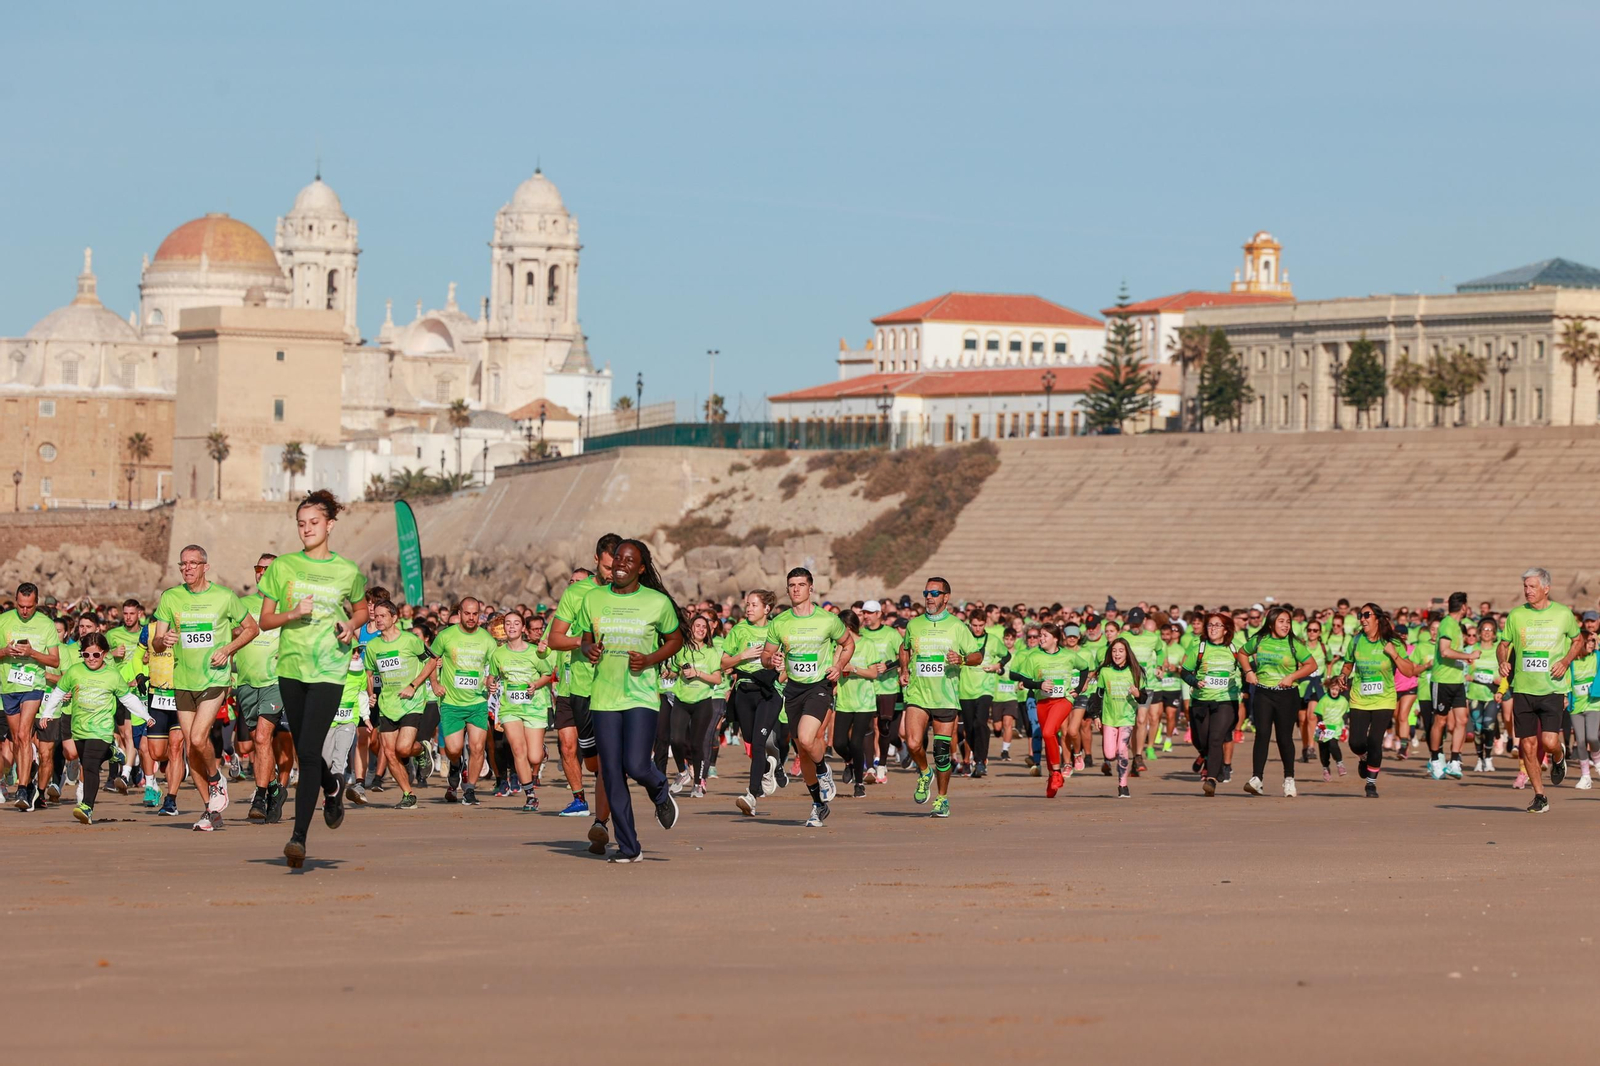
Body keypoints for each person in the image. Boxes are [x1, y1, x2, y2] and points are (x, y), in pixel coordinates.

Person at [256, 490, 369, 869]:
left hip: (329, 671)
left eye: (314, 523)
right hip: (290, 668)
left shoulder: (347, 570)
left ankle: (298, 837)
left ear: (330, 525)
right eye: (301, 524)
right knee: (305, 746)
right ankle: (333, 787)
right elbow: (264, 620)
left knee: (307, 751)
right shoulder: (283, 567)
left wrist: (351, 625)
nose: (307, 529)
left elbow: (362, 608)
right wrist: (292, 613)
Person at [574, 539, 683, 861]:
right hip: (604, 697)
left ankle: (659, 788)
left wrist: (650, 659)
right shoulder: (593, 599)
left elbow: (675, 639)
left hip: (641, 695)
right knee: (610, 771)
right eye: (618, 558)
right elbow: (585, 639)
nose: (621, 563)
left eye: (629, 560)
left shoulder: (657, 602)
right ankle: (629, 846)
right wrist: (588, 650)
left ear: (641, 568)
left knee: (635, 764)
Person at [151, 544, 258, 831]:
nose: (187, 568)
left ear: (205, 566)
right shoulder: (171, 597)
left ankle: (215, 779)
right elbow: (156, 642)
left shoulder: (224, 597)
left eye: (193, 563)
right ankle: (211, 811)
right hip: (183, 681)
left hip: (215, 677)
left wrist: (228, 649)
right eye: (183, 564)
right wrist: (165, 640)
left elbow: (252, 628)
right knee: (190, 751)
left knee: (198, 739)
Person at [545, 535, 621, 850]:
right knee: (593, 764)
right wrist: (582, 643)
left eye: (619, 566)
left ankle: (602, 824)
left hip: (617, 690)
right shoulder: (577, 593)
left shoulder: (632, 594)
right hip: (580, 688)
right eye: (607, 566)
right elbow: (554, 639)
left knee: (611, 762)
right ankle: (599, 813)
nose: (614, 573)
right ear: (597, 560)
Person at [764, 568, 853, 828]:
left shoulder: (828, 620)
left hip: (819, 686)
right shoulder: (779, 622)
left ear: (811, 588)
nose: (796, 589)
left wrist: (839, 665)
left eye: (801, 585)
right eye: (791, 585)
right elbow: (766, 657)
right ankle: (818, 805)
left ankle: (824, 770)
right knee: (802, 750)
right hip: (793, 688)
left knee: (806, 737)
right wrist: (773, 660)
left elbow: (848, 644)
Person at [37, 633, 150, 824]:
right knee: (83, 757)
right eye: (86, 655)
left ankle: (87, 806)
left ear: (104, 654)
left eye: (96, 655)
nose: (91, 659)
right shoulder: (74, 671)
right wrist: (47, 713)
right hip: (79, 728)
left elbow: (127, 698)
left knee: (89, 766)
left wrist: (146, 716)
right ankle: (111, 752)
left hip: (102, 729)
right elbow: (58, 692)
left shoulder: (112, 675)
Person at [1498, 567, 1582, 814]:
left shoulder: (1563, 614)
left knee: (1549, 740)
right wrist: (1502, 660)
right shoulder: (1516, 615)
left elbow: (1577, 641)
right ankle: (1539, 796)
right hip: (1523, 689)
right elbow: (1503, 645)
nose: (1527, 591)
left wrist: (1565, 662)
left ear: (1546, 588)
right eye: (1525, 586)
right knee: (1527, 745)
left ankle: (1558, 756)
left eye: (1532, 586)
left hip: (1552, 688)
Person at [897, 577, 982, 818]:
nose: (929, 596)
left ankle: (942, 798)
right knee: (913, 743)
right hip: (918, 693)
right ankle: (925, 772)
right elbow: (905, 648)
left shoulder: (957, 627)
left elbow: (977, 656)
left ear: (946, 597)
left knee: (942, 751)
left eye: (935, 592)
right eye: (926, 592)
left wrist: (962, 659)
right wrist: (904, 669)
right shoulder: (914, 624)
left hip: (945, 696)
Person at [1328, 603, 1420, 798]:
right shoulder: (1356, 640)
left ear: (1377, 618)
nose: (1362, 619)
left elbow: (1409, 671)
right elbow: (1348, 664)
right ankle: (1364, 758)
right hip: (1359, 698)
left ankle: (1371, 784)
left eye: (1367, 615)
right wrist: (1344, 676)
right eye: (1361, 615)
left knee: (1375, 740)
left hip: (1384, 699)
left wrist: (1394, 654)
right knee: (1356, 743)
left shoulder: (1392, 643)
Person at [237, 554, 294, 824]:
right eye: (259, 568)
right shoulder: (241, 604)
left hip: (275, 681)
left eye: (268, 569)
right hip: (246, 681)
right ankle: (274, 788)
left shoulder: (287, 607)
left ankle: (259, 796)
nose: (262, 573)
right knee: (255, 745)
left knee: (262, 738)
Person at [1239, 606, 1317, 798]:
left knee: (1284, 738)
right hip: (1263, 693)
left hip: (1287, 695)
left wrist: (1292, 676)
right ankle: (1257, 779)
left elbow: (1311, 665)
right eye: (1281, 621)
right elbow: (1241, 653)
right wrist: (1248, 672)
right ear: (1272, 622)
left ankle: (1289, 779)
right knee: (1262, 735)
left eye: (1288, 622)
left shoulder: (1293, 644)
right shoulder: (1259, 640)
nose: (1286, 625)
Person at [363, 599, 433, 809]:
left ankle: (421, 750)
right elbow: (369, 673)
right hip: (387, 704)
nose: (378, 619)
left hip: (411, 702)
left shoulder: (410, 640)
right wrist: (370, 695)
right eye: (376, 616)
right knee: (390, 751)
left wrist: (414, 684)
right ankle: (408, 794)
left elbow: (431, 661)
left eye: (383, 615)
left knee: (403, 749)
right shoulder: (373, 646)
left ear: (394, 618)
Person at [487, 609, 558, 811]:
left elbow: (547, 674)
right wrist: (491, 685)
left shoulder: (534, 652)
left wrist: (535, 684)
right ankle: (530, 795)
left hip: (534, 707)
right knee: (518, 749)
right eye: (508, 623)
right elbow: (492, 677)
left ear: (523, 628)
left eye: (516, 623)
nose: (511, 627)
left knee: (534, 757)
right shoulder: (498, 654)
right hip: (510, 708)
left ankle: (541, 751)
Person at [429, 597, 498, 806]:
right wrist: (434, 683)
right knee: (453, 749)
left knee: (478, 748)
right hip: (451, 702)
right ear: (459, 614)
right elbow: (431, 660)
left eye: (475, 614)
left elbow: (493, 669)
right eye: (467, 613)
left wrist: (490, 681)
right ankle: (456, 765)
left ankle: (470, 789)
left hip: (477, 702)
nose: (471, 617)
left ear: (479, 614)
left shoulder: (487, 640)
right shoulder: (446, 636)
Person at [3, 582, 63, 811]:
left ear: (36, 603)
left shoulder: (46, 625)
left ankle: (22, 787)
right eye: (20, 606)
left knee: (22, 733)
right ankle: (27, 783)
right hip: (8, 686)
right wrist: (6, 651)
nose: (24, 611)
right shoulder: (4, 620)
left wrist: (32, 653)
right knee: (18, 741)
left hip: (33, 686)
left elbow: (55, 661)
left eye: (29, 607)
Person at [725, 590, 782, 816]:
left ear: (766, 609)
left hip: (768, 692)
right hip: (744, 690)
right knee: (750, 740)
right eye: (747, 604)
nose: (749, 608)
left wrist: (780, 668)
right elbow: (723, 663)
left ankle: (752, 794)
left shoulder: (777, 629)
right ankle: (768, 766)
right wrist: (743, 656)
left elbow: (787, 660)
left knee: (758, 743)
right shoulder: (739, 630)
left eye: (754, 605)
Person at [1180, 612, 1243, 797]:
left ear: (1226, 630)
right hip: (1200, 700)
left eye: (1217, 625)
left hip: (1226, 700)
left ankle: (1212, 779)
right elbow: (1184, 672)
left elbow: (1248, 667)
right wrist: (1194, 681)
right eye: (1210, 625)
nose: (1213, 628)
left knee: (1216, 738)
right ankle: (1204, 755)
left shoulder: (1234, 648)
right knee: (1199, 739)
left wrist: (1249, 679)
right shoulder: (1199, 648)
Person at [832, 609, 887, 798]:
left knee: (856, 742)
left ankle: (858, 783)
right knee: (838, 743)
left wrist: (853, 668)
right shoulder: (837, 646)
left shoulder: (867, 645)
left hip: (864, 702)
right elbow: (833, 667)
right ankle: (849, 761)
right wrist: (840, 649)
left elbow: (873, 673)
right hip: (844, 701)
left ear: (847, 627)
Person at [668, 612, 722, 798]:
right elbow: (675, 671)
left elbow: (717, 678)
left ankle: (698, 783)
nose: (700, 629)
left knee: (698, 744)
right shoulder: (681, 650)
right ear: (690, 629)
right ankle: (683, 771)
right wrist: (669, 674)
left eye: (704, 627)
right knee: (675, 739)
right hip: (682, 700)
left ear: (707, 632)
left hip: (703, 702)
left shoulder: (710, 652)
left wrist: (698, 673)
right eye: (697, 625)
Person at [1427, 592, 1476, 780]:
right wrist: (1468, 656)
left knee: (1462, 720)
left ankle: (1454, 760)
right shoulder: (1447, 623)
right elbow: (1445, 651)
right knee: (1440, 721)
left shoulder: (1456, 625)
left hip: (1457, 680)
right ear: (1463, 606)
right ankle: (1434, 759)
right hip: (1442, 679)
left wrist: (1464, 657)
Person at [856, 600, 904, 783]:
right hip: (866, 687)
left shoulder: (891, 634)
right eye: (864, 613)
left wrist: (889, 666)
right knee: (867, 727)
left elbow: (904, 657)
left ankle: (882, 764)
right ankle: (869, 767)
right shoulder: (860, 634)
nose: (866, 616)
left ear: (879, 614)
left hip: (888, 687)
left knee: (883, 728)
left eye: (869, 613)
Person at [1088, 636, 1142, 798]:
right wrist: (1096, 716)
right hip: (1109, 718)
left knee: (1122, 750)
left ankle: (1123, 785)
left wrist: (1137, 693)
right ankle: (1112, 765)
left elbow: (1143, 697)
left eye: (1121, 651)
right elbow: (1098, 695)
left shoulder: (1135, 671)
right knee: (1110, 754)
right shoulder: (1105, 672)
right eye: (1114, 651)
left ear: (1127, 653)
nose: (1117, 654)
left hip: (1127, 717)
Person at [957, 608, 1006, 778]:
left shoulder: (992, 640)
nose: (977, 628)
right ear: (970, 624)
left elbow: (1005, 655)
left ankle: (980, 760)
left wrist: (998, 665)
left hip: (986, 687)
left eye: (980, 625)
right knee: (969, 728)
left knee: (980, 723)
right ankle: (977, 758)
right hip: (965, 688)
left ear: (985, 624)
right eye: (974, 625)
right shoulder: (963, 639)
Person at [1466, 618, 1502, 772]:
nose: (1487, 633)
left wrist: (1500, 683)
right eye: (1484, 630)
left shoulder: (1499, 650)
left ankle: (1488, 757)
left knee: (1489, 726)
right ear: (1479, 632)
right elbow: (1466, 671)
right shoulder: (1471, 649)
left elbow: (1504, 670)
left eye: (1490, 630)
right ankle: (1479, 759)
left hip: (1492, 695)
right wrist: (1470, 676)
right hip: (1474, 693)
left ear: (1494, 634)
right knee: (1477, 729)